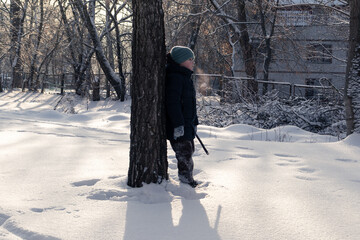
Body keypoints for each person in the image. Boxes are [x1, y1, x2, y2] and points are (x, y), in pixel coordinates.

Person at [165, 46, 199, 188]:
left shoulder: (185, 77)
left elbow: (190, 103)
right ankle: (186, 181)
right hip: (179, 127)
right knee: (184, 152)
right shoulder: (176, 77)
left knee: (189, 150)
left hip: (187, 125)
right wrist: (178, 125)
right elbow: (172, 103)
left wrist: (194, 122)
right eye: (189, 59)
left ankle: (188, 177)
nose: (192, 62)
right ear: (180, 61)